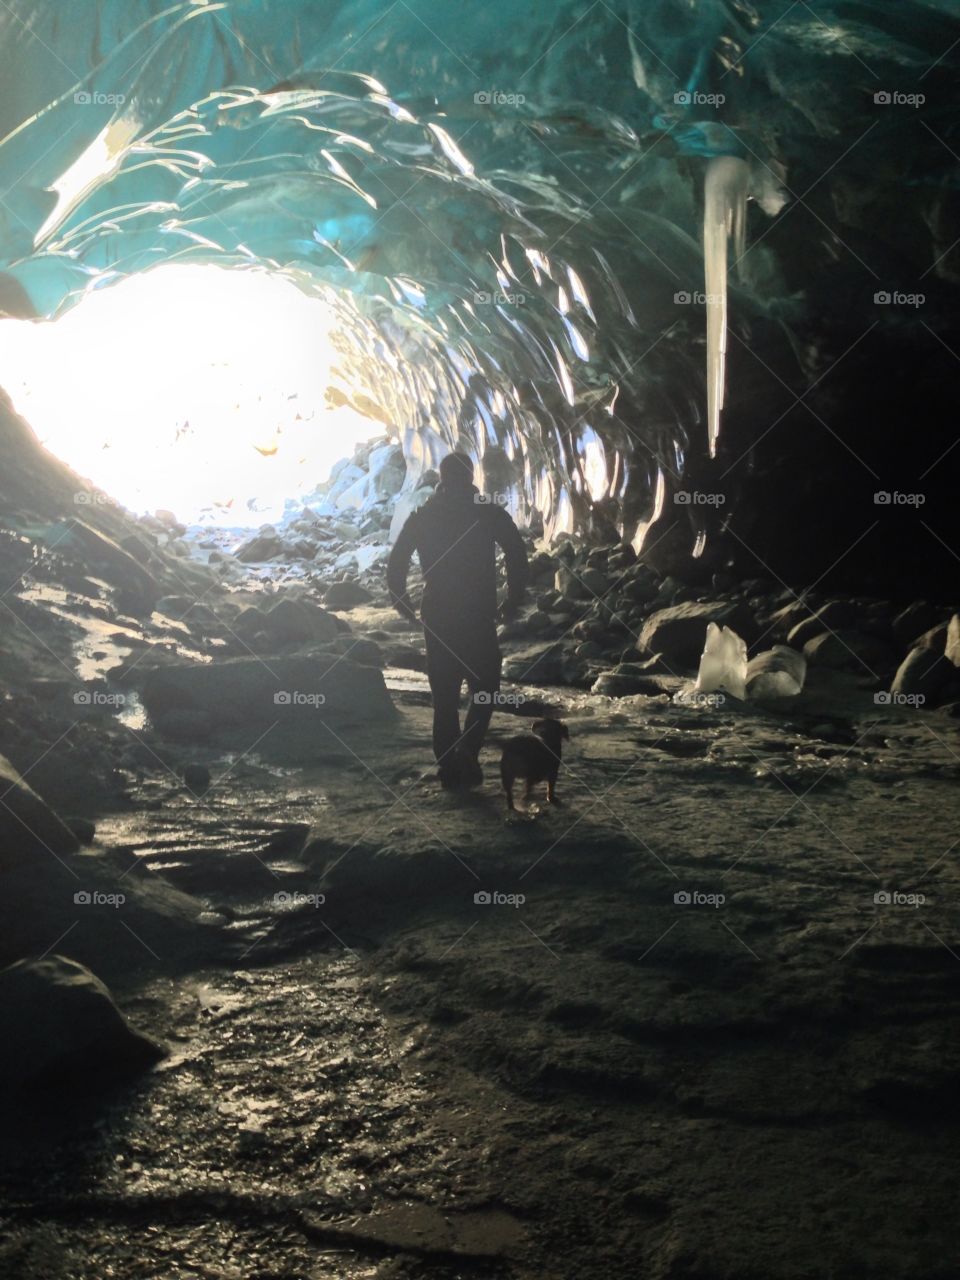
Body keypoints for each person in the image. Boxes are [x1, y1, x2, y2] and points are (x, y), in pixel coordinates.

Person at [387, 451, 528, 788]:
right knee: (485, 687)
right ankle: (468, 749)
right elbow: (516, 553)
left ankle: (450, 770)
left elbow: (397, 562)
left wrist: (401, 601)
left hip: (438, 614)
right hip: (478, 613)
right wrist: (513, 598)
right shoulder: (488, 513)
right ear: (470, 476)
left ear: (441, 478)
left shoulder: (423, 516)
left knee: (445, 695)